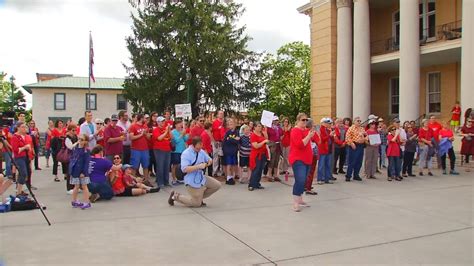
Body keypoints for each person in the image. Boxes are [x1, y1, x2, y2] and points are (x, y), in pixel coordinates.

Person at [168, 136, 221, 207]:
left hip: (201, 177)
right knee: (196, 204)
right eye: (197, 148)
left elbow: (209, 159)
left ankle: (198, 197)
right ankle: (175, 196)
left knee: (217, 185)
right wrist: (198, 166)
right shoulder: (186, 153)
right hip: (191, 180)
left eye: (200, 147)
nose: (199, 150)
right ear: (193, 145)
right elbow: (184, 169)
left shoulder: (201, 151)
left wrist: (209, 162)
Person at [289, 113, 314, 212]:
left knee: (303, 181)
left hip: (307, 159)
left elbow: (315, 141)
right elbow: (300, 144)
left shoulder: (307, 130)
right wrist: (309, 136)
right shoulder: (295, 131)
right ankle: (295, 202)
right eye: (303, 120)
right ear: (298, 120)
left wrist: (312, 135)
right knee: (300, 179)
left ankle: (300, 199)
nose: (305, 122)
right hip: (298, 159)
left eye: (306, 120)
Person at [68, 134, 92, 209]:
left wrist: (83, 172)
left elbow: (86, 162)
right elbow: (72, 158)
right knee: (76, 186)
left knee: (84, 186)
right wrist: (71, 170)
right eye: (79, 139)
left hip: (82, 171)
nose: (80, 141)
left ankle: (87, 201)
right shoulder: (75, 148)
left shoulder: (86, 151)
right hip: (75, 170)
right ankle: (74, 201)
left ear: (85, 141)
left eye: (82, 140)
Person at [10, 122, 32, 196]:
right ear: (18, 127)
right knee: (23, 173)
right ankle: (18, 191)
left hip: (25, 156)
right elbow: (15, 149)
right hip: (19, 157)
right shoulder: (15, 137)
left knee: (25, 173)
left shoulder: (23, 136)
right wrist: (25, 147)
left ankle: (20, 190)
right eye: (22, 127)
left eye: (25, 127)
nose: (24, 128)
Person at [129, 114, 151, 184]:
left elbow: (149, 138)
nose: (146, 120)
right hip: (136, 149)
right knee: (134, 166)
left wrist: (146, 134)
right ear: (141, 118)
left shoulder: (145, 126)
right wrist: (141, 134)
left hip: (145, 149)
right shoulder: (133, 126)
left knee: (146, 165)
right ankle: (132, 181)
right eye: (145, 118)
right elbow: (131, 137)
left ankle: (146, 180)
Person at [152, 116, 172, 187]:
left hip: (167, 149)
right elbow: (159, 138)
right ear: (158, 122)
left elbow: (171, 138)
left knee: (167, 166)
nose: (163, 122)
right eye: (161, 121)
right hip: (159, 150)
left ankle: (166, 181)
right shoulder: (155, 130)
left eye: (164, 121)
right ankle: (160, 182)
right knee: (160, 166)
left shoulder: (165, 129)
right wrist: (166, 131)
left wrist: (169, 130)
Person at [248, 122, 268, 191]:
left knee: (260, 170)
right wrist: (263, 142)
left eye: (261, 126)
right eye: (259, 126)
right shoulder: (253, 135)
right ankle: (251, 184)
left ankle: (257, 183)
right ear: (255, 127)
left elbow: (266, 140)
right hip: (256, 155)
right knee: (255, 169)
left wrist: (265, 134)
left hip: (263, 154)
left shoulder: (261, 133)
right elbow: (256, 146)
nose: (260, 128)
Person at [345, 117, 365, 182]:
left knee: (359, 161)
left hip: (361, 145)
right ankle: (348, 176)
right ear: (354, 122)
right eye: (358, 121)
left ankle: (356, 175)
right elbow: (347, 137)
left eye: (360, 121)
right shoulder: (351, 128)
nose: (359, 122)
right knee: (352, 161)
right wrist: (351, 143)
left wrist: (364, 139)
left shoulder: (362, 129)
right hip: (354, 145)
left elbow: (366, 135)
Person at [170, 119, 189, 185]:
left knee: (181, 165)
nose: (181, 125)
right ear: (175, 125)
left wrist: (185, 134)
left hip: (182, 150)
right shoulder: (173, 132)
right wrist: (182, 135)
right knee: (175, 165)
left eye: (181, 123)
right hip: (176, 151)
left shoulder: (181, 131)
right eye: (179, 123)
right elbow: (176, 141)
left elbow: (185, 139)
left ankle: (179, 178)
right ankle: (174, 178)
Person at [304, 119, 319, 195]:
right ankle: (308, 188)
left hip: (306, 153)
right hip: (312, 153)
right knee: (311, 171)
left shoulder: (303, 131)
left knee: (307, 170)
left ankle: (305, 185)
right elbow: (318, 141)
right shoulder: (312, 132)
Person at [222, 118, 240, 185]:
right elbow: (225, 141)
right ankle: (228, 178)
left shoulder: (237, 132)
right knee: (228, 165)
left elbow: (237, 141)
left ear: (235, 124)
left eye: (232, 124)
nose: (230, 125)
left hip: (234, 151)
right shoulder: (227, 132)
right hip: (228, 151)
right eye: (229, 124)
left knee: (233, 165)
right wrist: (233, 139)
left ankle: (232, 177)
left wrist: (230, 139)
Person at [317, 118, 334, 184]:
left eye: (329, 123)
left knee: (328, 165)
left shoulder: (328, 130)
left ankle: (327, 179)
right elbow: (323, 139)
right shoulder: (321, 129)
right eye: (327, 123)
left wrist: (332, 136)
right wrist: (329, 135)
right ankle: (320, 179)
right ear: (323, 123)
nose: (329, 124)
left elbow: (332, 140)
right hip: (323, 150)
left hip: (328, 149)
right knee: (321, 165)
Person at [265, 116, 283, 182]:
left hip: (278, 145)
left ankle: (275, 175)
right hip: (272, 145)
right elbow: (266, 136)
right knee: (271, 160)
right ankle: (269, 175)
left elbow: (281, 135)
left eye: (277, 120)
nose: (276, 121)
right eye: (275, 120)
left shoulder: (279, 128)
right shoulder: (269, 128)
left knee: (277, 160)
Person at [64, 124, 79, 193]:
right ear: (69, 130)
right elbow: (70, 146)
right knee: (70, 172)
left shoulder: (75, 136)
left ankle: (75, 186)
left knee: (75, 172)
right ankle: (69, 188)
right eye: (73, 130)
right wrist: (77, 143)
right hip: (70, 156)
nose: (74, 131)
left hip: (75, 155)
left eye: (75, 130)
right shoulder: (67, 137)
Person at [211, 110, 226, 176]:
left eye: (222, 114)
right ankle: (215, 171)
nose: (221, 115)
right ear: (217, 115)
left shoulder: (225, 123)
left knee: (223, 156)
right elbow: (212, 132)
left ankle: (223, 170)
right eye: (220, 114)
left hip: (223, 142)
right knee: (215, 157)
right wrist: (213, 141)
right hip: (216, 141)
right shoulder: (214, 122)